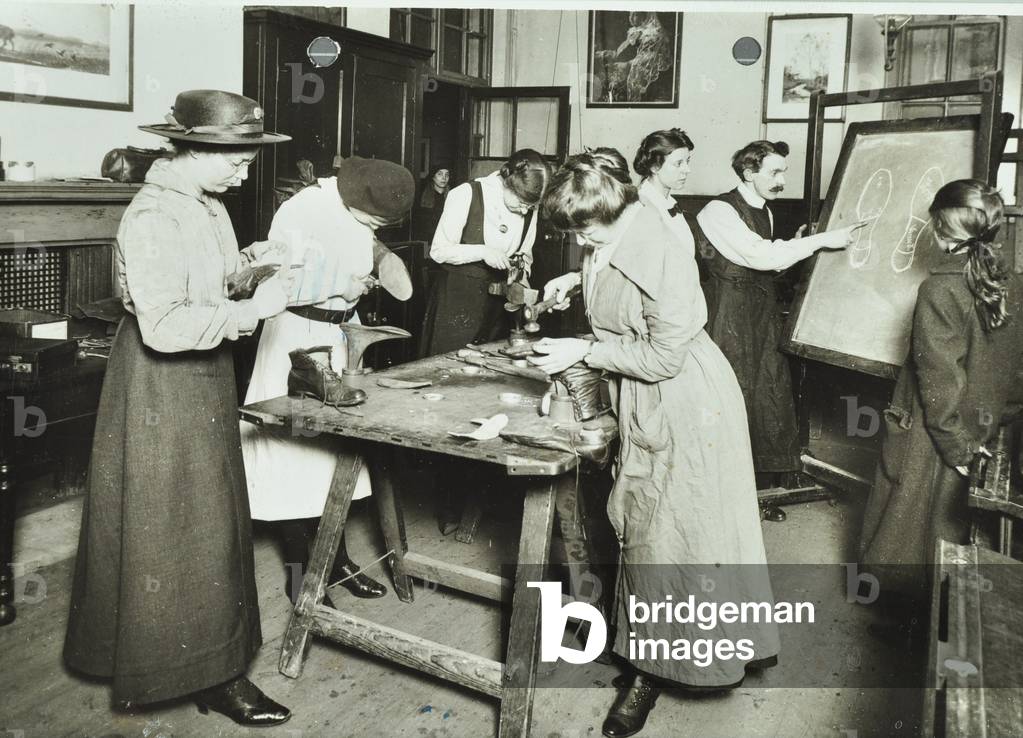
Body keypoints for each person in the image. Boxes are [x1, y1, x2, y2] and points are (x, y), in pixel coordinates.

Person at [64, 89, 293, 726]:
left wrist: (255, 267)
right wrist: (254, 313)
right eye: (237, 158)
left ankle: (190, 663)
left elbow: (209, 287)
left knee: (200, 528)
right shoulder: (154, 216)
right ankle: (194, 672)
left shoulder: (208, 205)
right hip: (160, 387)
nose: (245, 171)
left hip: (204, 379)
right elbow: (164, 325)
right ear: (191, 148)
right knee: (175, 533)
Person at [533, 152, 780, 738]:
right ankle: (666, 647)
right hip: (648, 390)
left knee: (666, 534)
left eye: (581, 232)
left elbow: (665, 355)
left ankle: (652, 672)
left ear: (610, 209)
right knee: (655, 527)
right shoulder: (619, 232)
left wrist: (583, 352)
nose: (577, 241)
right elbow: (614, 278)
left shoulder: (662, 247)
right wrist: (580, 278)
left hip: (681, 398)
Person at [240, 156, 416, 605]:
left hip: (339, 337)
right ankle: (302, 575)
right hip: (296, 338)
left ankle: (337, 562)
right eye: (374, 221)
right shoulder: (300, 211)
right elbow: (276, 289)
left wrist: (370, 270)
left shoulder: (353, 211)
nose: (374, 227)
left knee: (332, 460)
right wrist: (343, 284)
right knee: (295, 461)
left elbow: (362, 247)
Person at [859, 179, 1023, 640]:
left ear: (943, 230)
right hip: (988, 423)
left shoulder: (939, 290)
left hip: (938, 431)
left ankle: (914, 626)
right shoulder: (1011, 281)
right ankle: (942, 620)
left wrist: (955, 445)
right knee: (953, 527)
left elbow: (938, 379)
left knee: (912, 528)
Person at [697, 140, 865, 518]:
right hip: (728, 314)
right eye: (773, 172)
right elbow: (759, 255)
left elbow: (771, 265)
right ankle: (721, 498)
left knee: (766, 394)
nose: (781, 180)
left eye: (783, 171)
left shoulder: (765, 211)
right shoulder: (718, 210)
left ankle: (754, 494)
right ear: (748, 173)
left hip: (761, 311)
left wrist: (796, 244)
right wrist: (817, 241)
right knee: (732, 394)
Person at [419, 148, 550, 357]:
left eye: (530, 206)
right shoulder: (467, 194)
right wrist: (482, 252)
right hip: (457, 300)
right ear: (507, 182)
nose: (525, 211)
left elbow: (525, 255)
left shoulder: (527, 207)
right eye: (521, 203)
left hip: (497, 306)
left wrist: (523, 284)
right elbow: (438, 251)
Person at [594, 12, 673, 104]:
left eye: (635, 14)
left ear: (645, 15)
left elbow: (649, 58)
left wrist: (627, 65)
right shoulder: (635, 31)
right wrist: (604, 54)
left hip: (642, 74)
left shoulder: (652, 34)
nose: (630, 18)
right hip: (625, 69)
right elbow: (620, 52)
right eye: (630, 14)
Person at [411, 163, 451, 243]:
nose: (444, 178)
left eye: (447, 175)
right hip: (428, 239)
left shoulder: (453, 195)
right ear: (433, 177)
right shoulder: (424, 196)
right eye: (440, 174)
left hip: (447, 238)